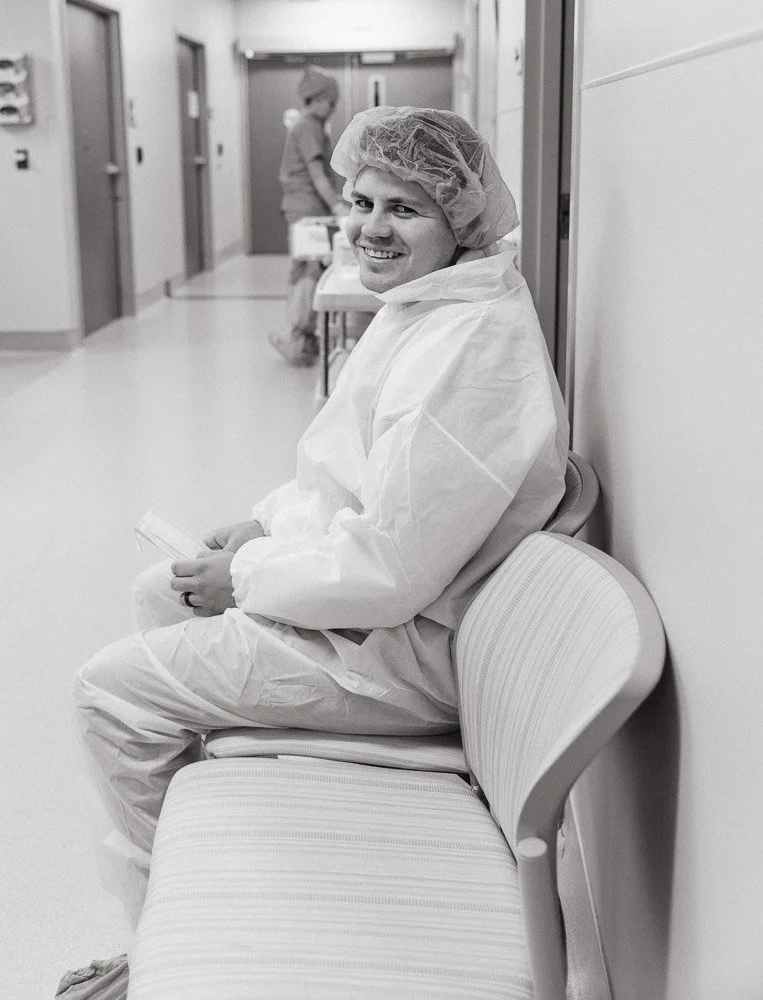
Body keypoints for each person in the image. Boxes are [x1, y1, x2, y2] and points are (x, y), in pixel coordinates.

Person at [69, 106, 569, 988]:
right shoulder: (429, 304)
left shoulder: (467, 350)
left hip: (404, 657)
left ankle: (157, 949)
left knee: (107, 692)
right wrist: (262, 527)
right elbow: (344, 478)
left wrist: (249, 577)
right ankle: (186, 892)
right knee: (164, 591)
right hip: (385, 610)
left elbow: (386, 570)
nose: (370, 227)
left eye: (403, 209)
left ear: (458, 218)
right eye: (360, 200)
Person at [270, 65, 346, 366]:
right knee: (309, 271)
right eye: (330, 103)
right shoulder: (310, 126)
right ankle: (296, 335)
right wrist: (337, 205)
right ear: (316, 100)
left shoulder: (305, 125)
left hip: (302, 207)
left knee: (304, 268)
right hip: (307, 209)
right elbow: (317, 175)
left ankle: (302, 335)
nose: (332, 110)